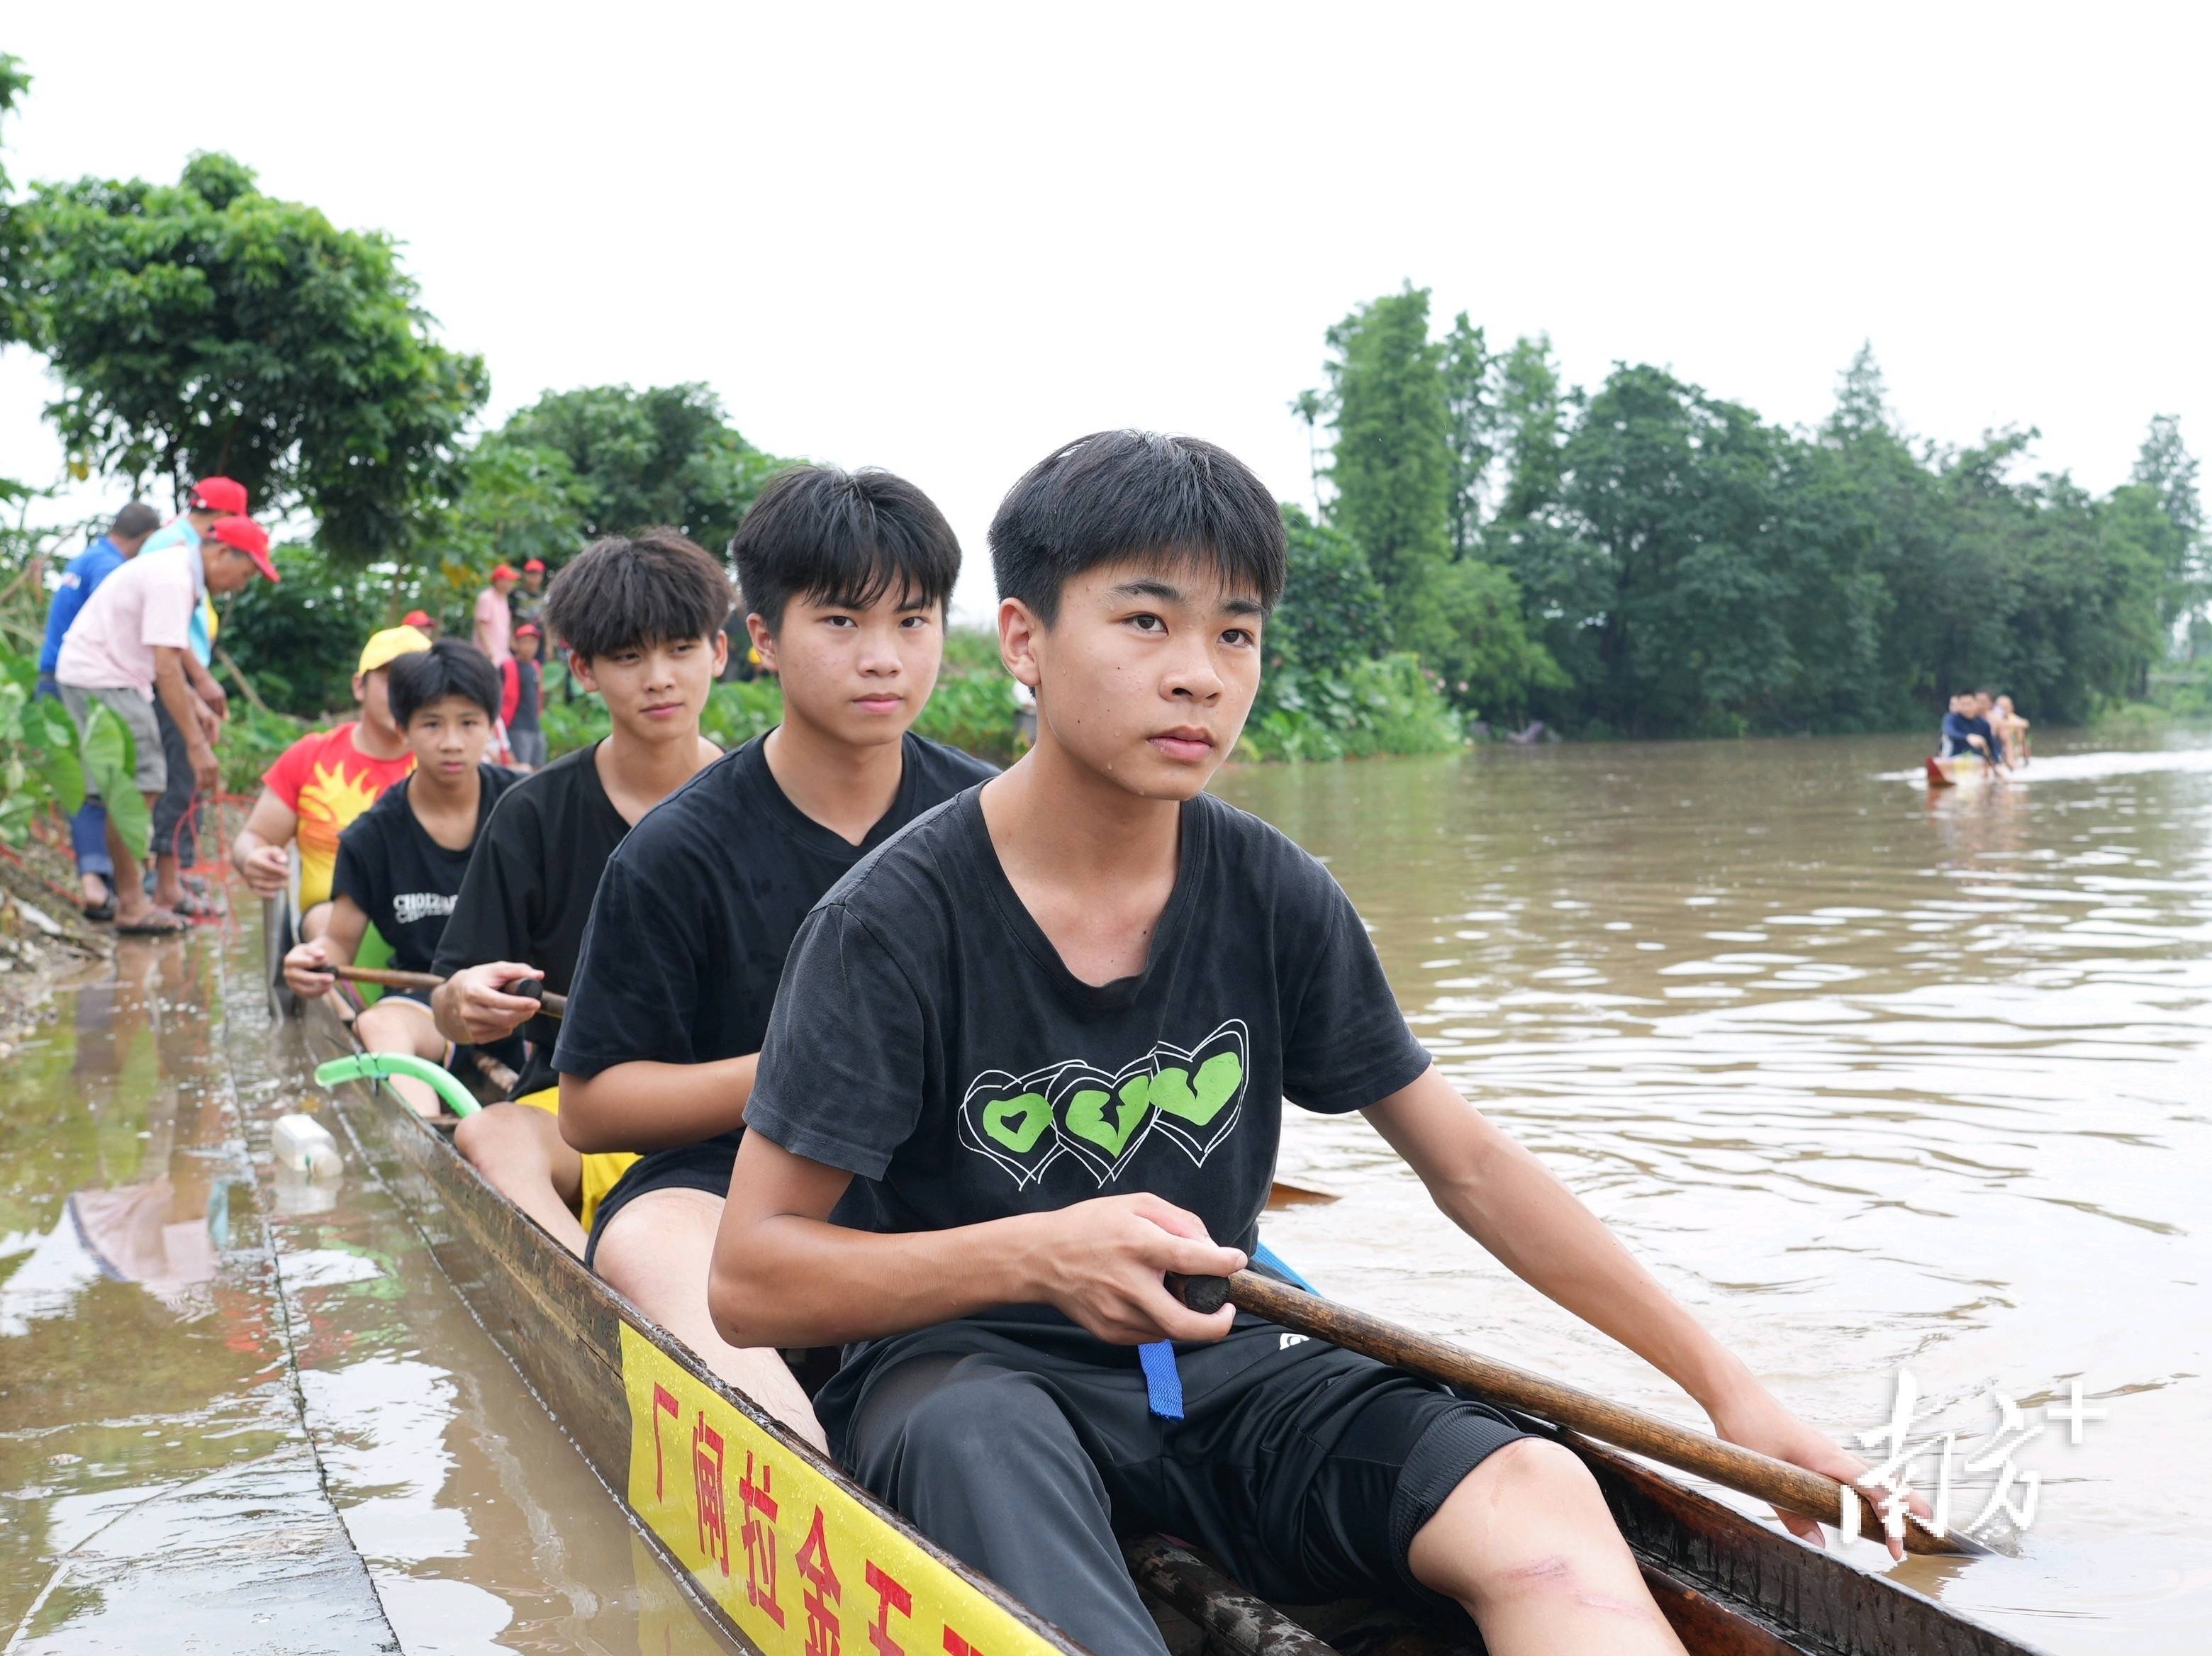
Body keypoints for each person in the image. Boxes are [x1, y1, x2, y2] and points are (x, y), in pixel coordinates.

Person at [709, 432, 1915, 1656]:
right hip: (970, 1384)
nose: (1200, 676)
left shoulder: (1272, 891)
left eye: (1236, 633)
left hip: (1219, 1367)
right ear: (1024, 639)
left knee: (1543, 1497)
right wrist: (1039, 1255)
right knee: (980, 1464)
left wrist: (1733, 1395)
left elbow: (1472, 1167)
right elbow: (754, 1278)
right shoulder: (887, 924)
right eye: (1145, 623)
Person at [554, 466, 993, 1445]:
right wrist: (804, 1077)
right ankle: (801, 1470)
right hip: (723, 1186)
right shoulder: (674, 851)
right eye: (841, 623)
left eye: (913, 623)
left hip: (939, 1180)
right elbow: (591, 1109)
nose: (883, 658)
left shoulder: (1002, 822)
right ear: (760, 637)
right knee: (645, 1240)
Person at [431, 530, 729, 1256]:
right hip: (580, 1110)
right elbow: (449, 998)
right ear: (584, 669)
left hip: (739, 1109)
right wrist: (464, 997)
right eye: (628, 656)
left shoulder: (769, 799)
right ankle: (589, 1296)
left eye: (681, 648)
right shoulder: (533, 814)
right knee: (490, 1132)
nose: (659, 677)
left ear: (719, 652)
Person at [281, 641, 521, 1117]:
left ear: (490, 726)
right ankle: (428, 1142)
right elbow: (339, 948)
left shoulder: (527, 809)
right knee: (379, 1027)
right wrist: (308, 962)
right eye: (432, 724)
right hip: (427, 1003)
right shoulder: (371, 837)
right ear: (403, 729)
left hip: (522, 1001)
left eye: (468, 723)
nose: (451, 741)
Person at [56, 515, 278, 935]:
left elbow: (167, 659)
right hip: (102, 678)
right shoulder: (175, 578)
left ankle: (135, 896)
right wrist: (197, 746)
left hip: (111, 677)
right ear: (222, 552)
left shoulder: (179, 573)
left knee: (141, 783)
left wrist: (196, 706)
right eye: (244, 573)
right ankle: (132, 904)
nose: (240, 586)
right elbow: (165, 666)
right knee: (140, 783)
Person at [230, 626, 430, 934]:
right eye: (392, 680)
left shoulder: (447, 763)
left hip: (426, 916)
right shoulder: (310, 756)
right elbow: (254, 837)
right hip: (332, 924)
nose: (405, 693)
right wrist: (253, 858)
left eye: (418, 682)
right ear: (359, 686)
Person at [36, 503, 163, 918]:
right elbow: (119, 631)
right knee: (101, 781)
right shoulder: (112, 569)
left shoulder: (85, 558)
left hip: (51, 680)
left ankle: (97, 880)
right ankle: (99, 883)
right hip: (83, 685)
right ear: (146, 538)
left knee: (85, 779)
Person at [501, 623, 547, 771]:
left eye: (533, 642)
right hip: (517, 727)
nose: (529, 647)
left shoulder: (536, 667)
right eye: (525, 642)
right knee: (520, 771)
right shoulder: (507, 667)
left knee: (538, 768)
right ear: (516, 643)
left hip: (534, 726)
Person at [474, 564, 519, 664]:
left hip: (502, 653)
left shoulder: (504, 599)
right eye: (508, 580)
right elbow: (481, 626)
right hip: (488, 654)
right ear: (499, 581)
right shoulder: (486, 598)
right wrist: (488, 650)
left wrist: (513, 644)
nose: (511, 584)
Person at [1991, 693, 2031, 767]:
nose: (2003, 710)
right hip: (1998, 745)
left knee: (2024, 744)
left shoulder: (2013, 718)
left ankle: (2023, 762)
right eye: (2001, 707)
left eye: (2006, 707)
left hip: (2012, 746)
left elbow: (2025, 723)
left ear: (2011, 708)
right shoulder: (1993, 717)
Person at [513, 557, 548, 630]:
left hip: (539, 637)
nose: (534, 577)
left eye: (537, 574)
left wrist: (549, 642)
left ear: (542, 576)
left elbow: (547, 624)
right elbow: (510, 620)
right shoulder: (516, 594)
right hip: (519, 636)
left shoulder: (545, 597)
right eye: (531, 574)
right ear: (525, 575)